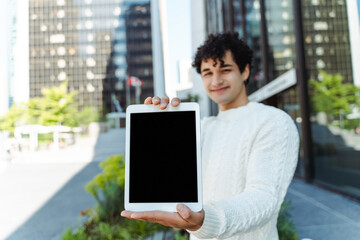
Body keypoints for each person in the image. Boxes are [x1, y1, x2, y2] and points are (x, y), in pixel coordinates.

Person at [121, 32, 300, 240]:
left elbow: (264, 198)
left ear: (245, 71)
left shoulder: (273, 121)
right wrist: (159, 128)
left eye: (225, 70)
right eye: (207, 73)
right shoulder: (201, 128)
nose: (216, 80)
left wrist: (206, 220)